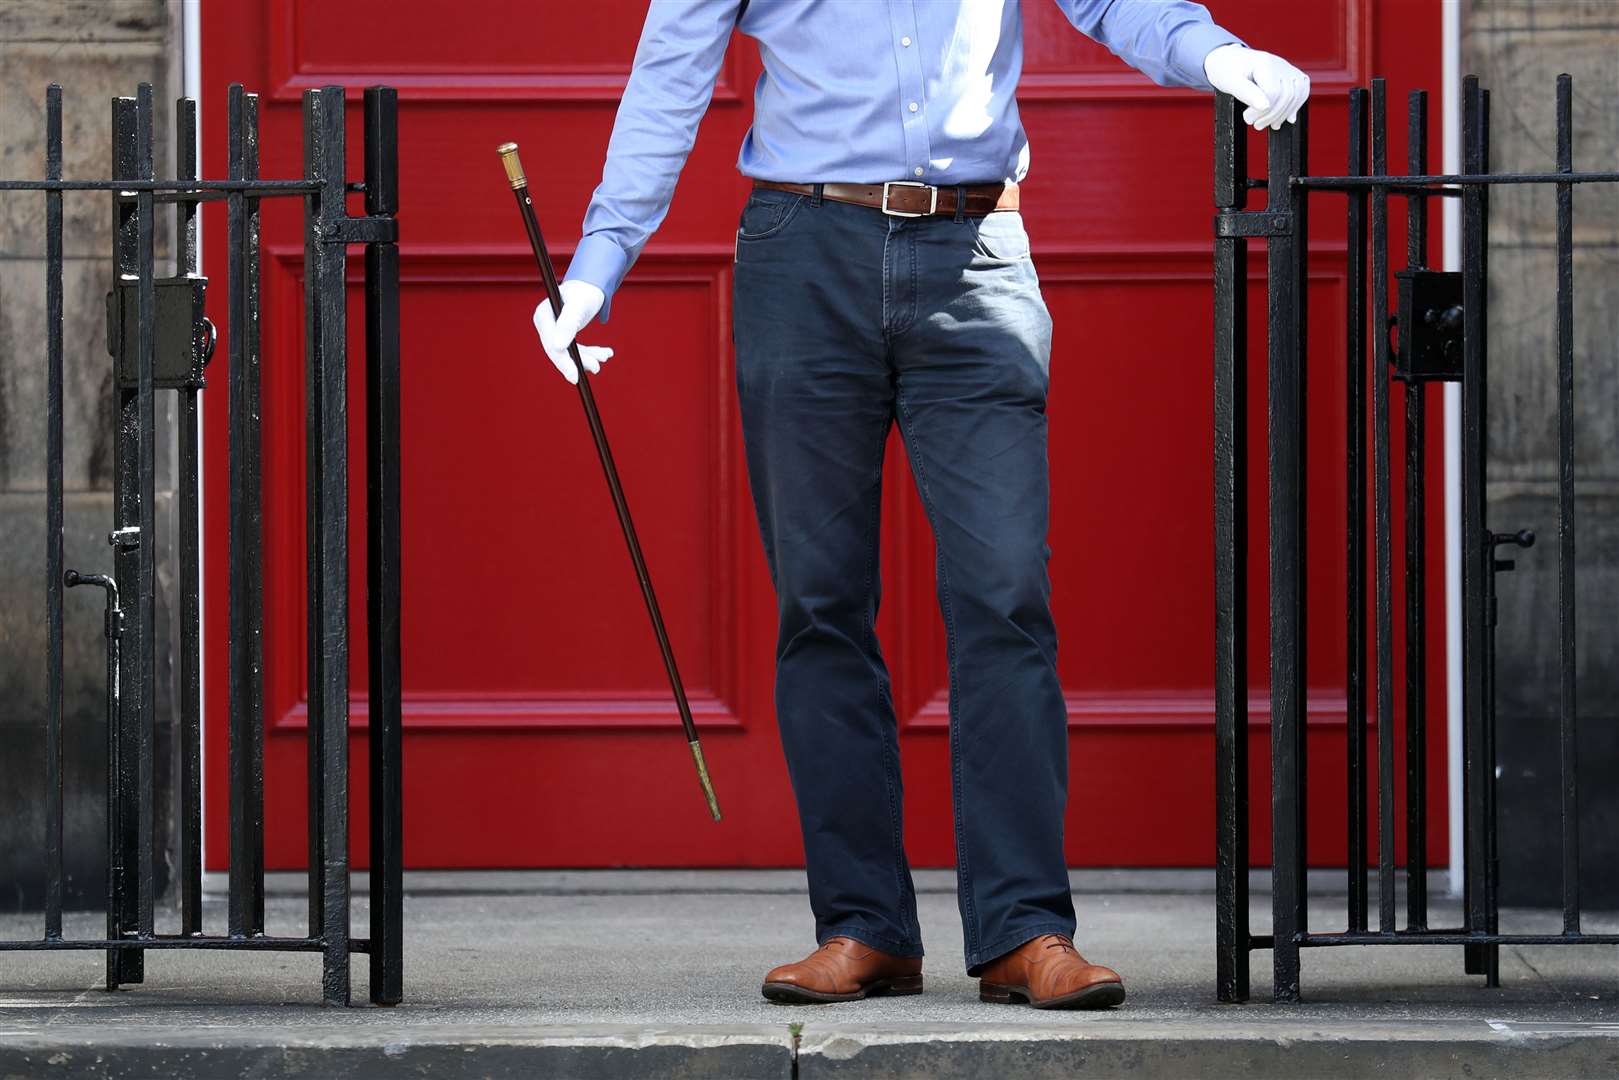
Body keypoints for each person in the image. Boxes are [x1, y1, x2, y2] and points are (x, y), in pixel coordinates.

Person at [533, 0, 1307, 1009]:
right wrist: (599, 264)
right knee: (819, 603)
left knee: (1004, 593)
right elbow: (668, 76)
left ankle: (1025, 931)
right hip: (801, 249)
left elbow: (1116, 2)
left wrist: (1220, 54)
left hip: (975, 253)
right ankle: (861, 928)